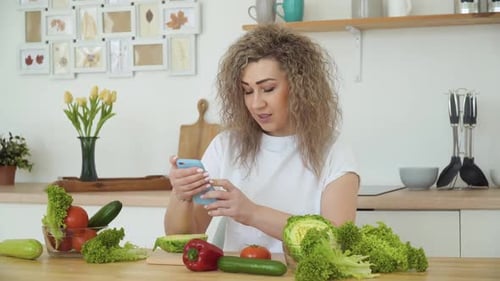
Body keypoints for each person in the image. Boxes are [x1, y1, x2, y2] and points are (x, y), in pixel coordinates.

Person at [164, 24, 359, 253]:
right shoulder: (226, 146)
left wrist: (252, 213)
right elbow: (180, 238)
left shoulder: (334, 152)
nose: (256, 104)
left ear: (300, 88)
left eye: (267, 88)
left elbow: (336, 241)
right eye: (247, 91)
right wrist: (181, 196)